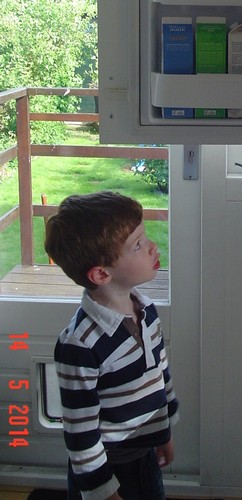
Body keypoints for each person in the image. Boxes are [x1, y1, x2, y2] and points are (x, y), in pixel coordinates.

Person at [44, 191, 179, 500]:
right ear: (102, 273)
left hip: (145, 455)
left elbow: (159, 375)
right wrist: (102, 490)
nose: (153, 246)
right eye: (138, 244)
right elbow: (80, 432)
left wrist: (164, 430)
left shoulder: (146, 311)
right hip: (105, 470)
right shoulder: (80, 345)